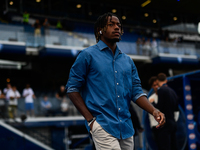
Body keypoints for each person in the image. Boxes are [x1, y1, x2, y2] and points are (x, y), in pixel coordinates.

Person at [66, 12, 165, 150]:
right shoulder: (87, 55)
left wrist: (154, 111)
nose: (117, 27)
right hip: (102, 124)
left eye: (118, 25)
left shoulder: (128, 61)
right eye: (111, 24)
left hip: (126, 126)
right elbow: (72, 89)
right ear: (100, 29)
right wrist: (91, 120)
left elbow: (136, 93)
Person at [152, 73, 179, 150]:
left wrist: (152, 103)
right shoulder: (172, 91)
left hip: (165, 123)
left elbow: (160, 106)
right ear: (166, 80)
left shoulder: (161, 90)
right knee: (174, 145)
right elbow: (176, 109)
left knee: (164, 146)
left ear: (157, 81)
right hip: (173, 122)